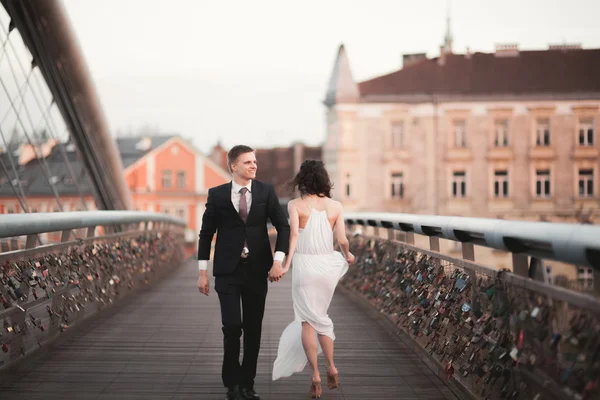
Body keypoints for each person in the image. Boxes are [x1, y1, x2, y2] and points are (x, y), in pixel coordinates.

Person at [197, 145, 290, 400]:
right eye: (247, 162)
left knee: (252, 329)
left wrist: (278, 261)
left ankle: (248, 384)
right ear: (233, 166)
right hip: (227, 271)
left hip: (257, 270)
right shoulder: (217, 195)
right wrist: (202, 271)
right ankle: (232, 383)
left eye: (255, 161)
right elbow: (206, 234)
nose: (254, 165)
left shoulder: (265, 192)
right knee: (232, 326)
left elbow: (283, 226)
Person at [271, 159, 355, 398]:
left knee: (308, 321)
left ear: (302, 180)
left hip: (305, 266)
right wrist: (347, 255)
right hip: (327, 265)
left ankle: (315, 374)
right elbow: (342, 240)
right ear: (324, 179)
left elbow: (294, 236)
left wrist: (286, 264)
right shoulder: (336, 206)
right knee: (322, 318)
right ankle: (332, 366)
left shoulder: (296, 204)